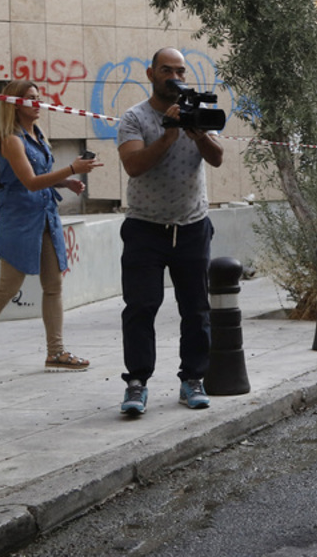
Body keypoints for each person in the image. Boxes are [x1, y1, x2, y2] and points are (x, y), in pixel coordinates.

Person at [0, 80, 101, 376]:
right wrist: (71, 169)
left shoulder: (37, 134)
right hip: (20, 221)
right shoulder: (11, 139)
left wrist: (65, 182)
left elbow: (41, 176)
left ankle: (56, 351)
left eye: (38, 97)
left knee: (53, 286)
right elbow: (30, 182)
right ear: (15, 104)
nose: (38, 103)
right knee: (8, 287)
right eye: (31, 98)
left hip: (46, 216)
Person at [117, 48, 224, 416]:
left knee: (196, 309)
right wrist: (168, 134)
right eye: (166, 70)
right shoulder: (135, 118)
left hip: (192, 226)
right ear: (151, 74)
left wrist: (198, 135)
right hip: (145, 228)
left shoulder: (198, 110)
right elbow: (133, 165)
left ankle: (193, 379)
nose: (174, 76)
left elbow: (217, 157)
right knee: (140, 308)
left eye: (180, 70)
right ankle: (136, 383)